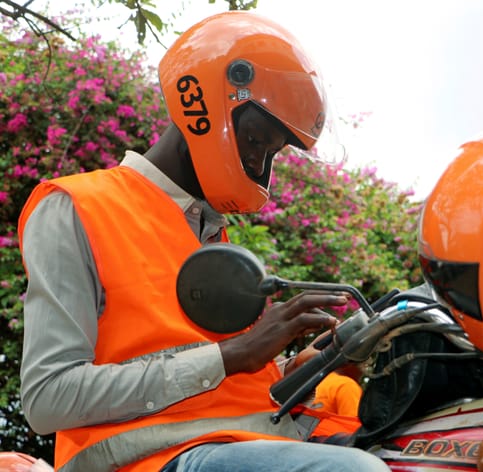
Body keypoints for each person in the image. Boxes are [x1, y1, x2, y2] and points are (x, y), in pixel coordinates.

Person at [17, 11, 389, 472]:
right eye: (256, 141)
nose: (259, 166)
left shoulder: (210, 236)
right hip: (145, 458)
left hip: (242, 439)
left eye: (270, 154)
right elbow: (48, 397)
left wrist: (301, 368)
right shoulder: (75, 206)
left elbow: (219, 383)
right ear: (202, 106)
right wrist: (234, 354)